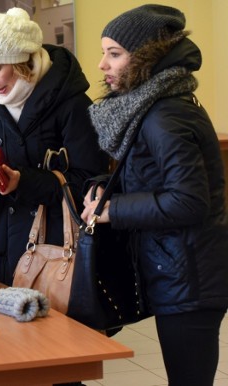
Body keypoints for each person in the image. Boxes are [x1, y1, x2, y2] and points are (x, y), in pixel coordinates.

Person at [80, 5, 228, 385]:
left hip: (190, 275)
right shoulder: (151, 107)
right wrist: (104, 186)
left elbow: (189, 200)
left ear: (147, 56)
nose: (102, 65)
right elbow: (151, 176)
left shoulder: (165, 115)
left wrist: (113, 210)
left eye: (114, 54)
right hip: (179, 267)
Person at [0, 7, 107, 285]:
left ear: (21, 61)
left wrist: (22, 182)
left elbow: (88, 184)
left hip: (56, 250)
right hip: (7, 240)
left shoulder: (73, 105)